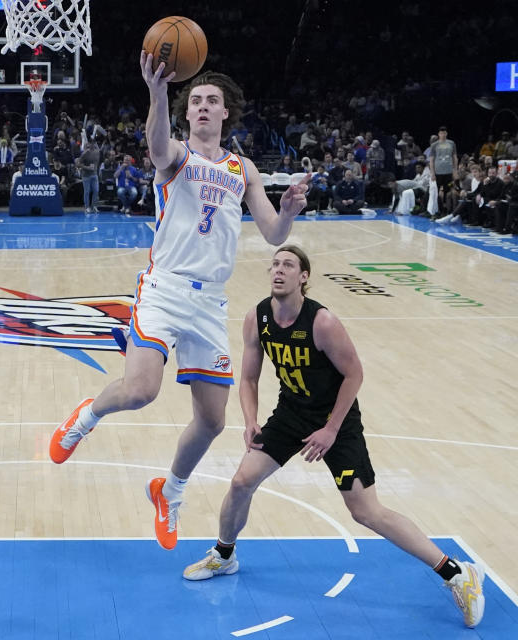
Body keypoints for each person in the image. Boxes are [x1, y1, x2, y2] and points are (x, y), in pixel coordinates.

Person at [49, 58, 309, 551]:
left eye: (212, 101)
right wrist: (156, 91)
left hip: (210, 302)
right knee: (141, 389)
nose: (204, 107)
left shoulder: (243, 168)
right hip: (165, 288)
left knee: (213, 420)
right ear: (186, 113)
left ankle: (170, 491)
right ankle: (85, 417)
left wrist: (290, 211)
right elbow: (154, 145)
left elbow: (274, 232)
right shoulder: (177, 156)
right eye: (196, 101)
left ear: (226, 112)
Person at [181, 245, 486, 629]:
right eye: (274, 264)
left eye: (288, 265)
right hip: (291, 414)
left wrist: (330, 429)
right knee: (242, 480)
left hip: (335, 420)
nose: (278, 270)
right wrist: (250, 419)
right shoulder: (256, 317)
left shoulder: (322, 322)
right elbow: (248, 378)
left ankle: (457, 574)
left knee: (365, 512)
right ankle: (224, 555)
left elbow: (355, 374)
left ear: (303, 276)